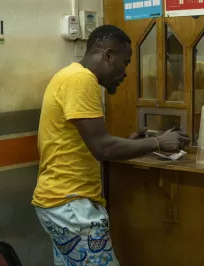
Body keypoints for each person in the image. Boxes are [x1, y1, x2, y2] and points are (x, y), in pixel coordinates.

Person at [31, 25, 190, 266]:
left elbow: (88, 142)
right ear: (107, 55)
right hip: (71, 206)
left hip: (58, 202)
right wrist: (158, 142)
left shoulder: (70, 75)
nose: (125, 73)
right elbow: (103, 148)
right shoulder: (81, 80)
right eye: (124, 63)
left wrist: (130, 143)